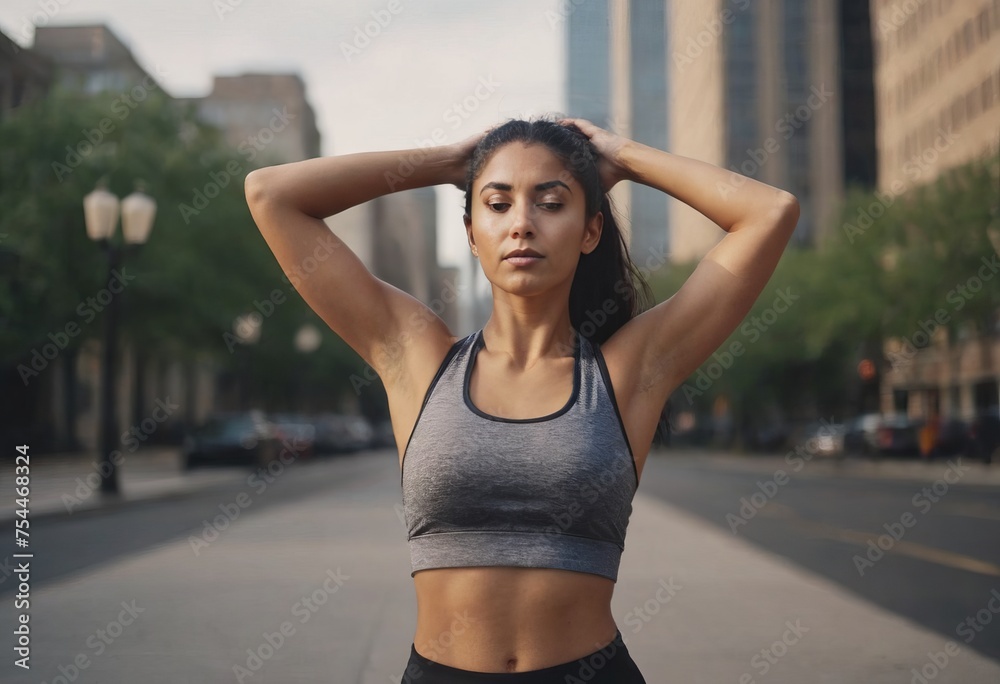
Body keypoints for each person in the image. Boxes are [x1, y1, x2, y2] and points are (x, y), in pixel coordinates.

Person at [245, 115, 799, 682]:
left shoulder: (629, 371)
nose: (522, 225)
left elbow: (769, 212)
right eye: (498, 203)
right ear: (470, 231)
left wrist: (622, 156)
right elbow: (271, 194)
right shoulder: (416, 356)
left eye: (552, 203)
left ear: (590, 231)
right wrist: (448, 161)